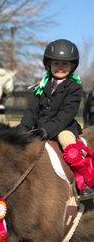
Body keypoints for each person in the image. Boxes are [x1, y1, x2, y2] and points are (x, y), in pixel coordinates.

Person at [18, 38, 94, 197]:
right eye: (56, 64)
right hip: (39, 128)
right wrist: (22, 128)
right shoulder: (42, 85)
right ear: (49, 65)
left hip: (63, 127)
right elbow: (32, 110)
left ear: (72, 66)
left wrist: (46, 130)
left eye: (65, 64)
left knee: (67, 141)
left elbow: (66, 114)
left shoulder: (74, 87)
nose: (60, 67)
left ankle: (85, 180)